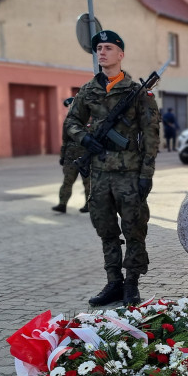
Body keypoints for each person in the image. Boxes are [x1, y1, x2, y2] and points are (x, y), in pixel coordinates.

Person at [65, 30, 160, 307]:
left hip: (129, 174)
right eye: (99, 48)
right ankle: (113, 282)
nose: (102, 52)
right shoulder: (88, 90)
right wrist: (85, 139)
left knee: (134, 229)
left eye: (108, 48)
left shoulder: (137, 92)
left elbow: (151, 135)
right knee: (106, 229)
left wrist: (146, 174)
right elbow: (71, 122)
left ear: (121, 54)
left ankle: (132, 283)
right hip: (99, 173)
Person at [52, 96, 91, 214]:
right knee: (67, 181)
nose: (70, 109)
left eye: (71, 106)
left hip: (86, 156)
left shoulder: (89, 119)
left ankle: (89, 205)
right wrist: (62, 156)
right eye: (69, 107)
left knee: (88, 182)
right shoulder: (68, 121)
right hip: (70, 157)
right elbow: (65, 140)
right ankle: (62, 204)